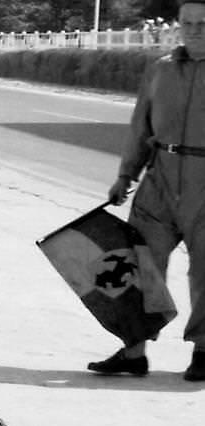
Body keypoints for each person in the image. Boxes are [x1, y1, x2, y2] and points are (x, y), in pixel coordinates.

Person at [97, 0, 205, 381]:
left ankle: (204, 351)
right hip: (159, 177)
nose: (194, 29)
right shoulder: (160, 70)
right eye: (187, 22)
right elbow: (140, 127)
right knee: (140, 262)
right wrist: (126, 176)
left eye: (203, 23)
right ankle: (134, 352)